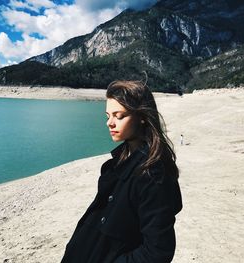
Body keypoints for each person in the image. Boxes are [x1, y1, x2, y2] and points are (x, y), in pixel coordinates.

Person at [61, 80, 182, 263]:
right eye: (108, 116)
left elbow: (158, 251)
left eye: (119, 116)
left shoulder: (152, 173)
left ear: (141, 116)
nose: (110, 123)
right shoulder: (122, 158)